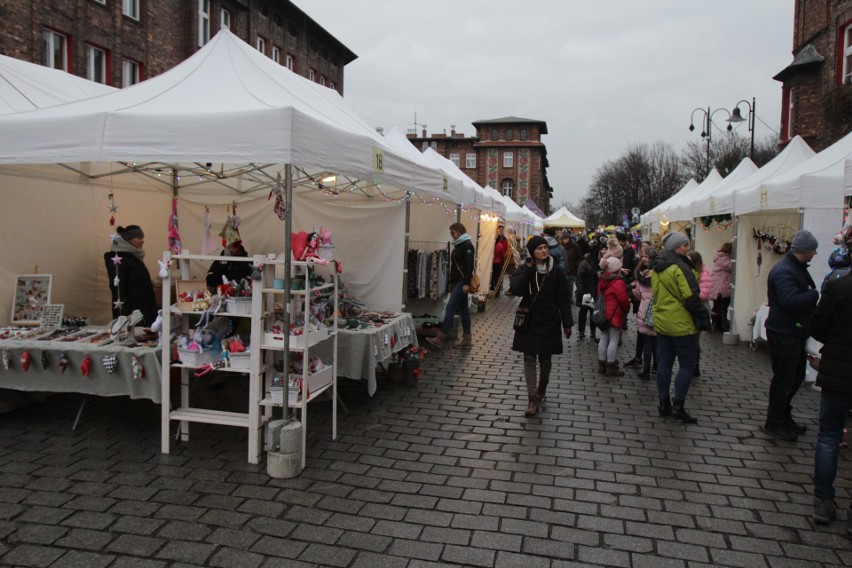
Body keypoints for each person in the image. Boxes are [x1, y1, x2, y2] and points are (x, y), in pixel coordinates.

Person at [763, 229, 820, 441]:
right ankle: (774, 421)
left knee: (793, 378)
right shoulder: (785, 271)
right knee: (784, 380)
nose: (815, 254)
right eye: (813, 250)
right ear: (804, 250)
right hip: (784, 332)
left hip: (791, 331)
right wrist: (812, 294)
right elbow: (790, 301)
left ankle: (784, 416)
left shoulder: (794, 268)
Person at [509, 235, 573, 416]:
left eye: (545, 247)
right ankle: (532, 399)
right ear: (532, 252)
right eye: (539, 248)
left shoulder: (557, 271)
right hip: (529, 319)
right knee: (529, 359)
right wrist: (529, 270)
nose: (544, 251)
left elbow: (564, 298)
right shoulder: (526, 268)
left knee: (545, 360)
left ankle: (541, 389)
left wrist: (567, 323)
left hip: (550, 320)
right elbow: (516, 289)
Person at [810, 252, 852, 527]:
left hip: (838, 373)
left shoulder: (839, 285)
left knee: (828, 437)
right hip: (839, 371)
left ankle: (823, 502)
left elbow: (819, 329)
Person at [652, 231, 708, 424]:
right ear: (676, 247)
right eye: (685, 245)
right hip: (682, 323)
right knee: (686, 364)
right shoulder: (681, 268)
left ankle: (663, 403)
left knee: (665, 363)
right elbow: (690, 297)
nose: (688, 248)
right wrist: (703, 316)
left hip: (662, 321)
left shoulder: (657, 267)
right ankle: (678, 406)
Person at [426, 222, 476, 350]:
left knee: (450, 307)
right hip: (458, 282)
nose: (451, 235)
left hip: (462, 282)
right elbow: (455, 267)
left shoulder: (467, 245)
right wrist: (451, 283)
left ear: (459, 231)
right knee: (464, 310)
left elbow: (469, 266)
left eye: (453, 233)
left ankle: (441, 337)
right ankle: (467, 339)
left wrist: (465, 284)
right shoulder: (459, 245)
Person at [104, 225, 157, 327]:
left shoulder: (133, 257)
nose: (143, 241)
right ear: (128, 240)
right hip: (131, 315)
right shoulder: (118, 260)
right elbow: (118, 289)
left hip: (143, 310)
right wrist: (128, 316)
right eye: (139, 238)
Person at [596, 256, 630, 376]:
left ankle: (601, 364)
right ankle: (610, 366)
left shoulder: (602, 279)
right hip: (615, 314)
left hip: (604, 314)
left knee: (604, 337)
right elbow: (623, 300)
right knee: (614, 339)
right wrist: (627, 308)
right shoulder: (618, 282)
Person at [633, 248, 657, 380]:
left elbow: (636, 294)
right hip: (658, 313)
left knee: (647, 344)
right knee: (657, 344)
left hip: (644, 312)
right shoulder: (660, 276)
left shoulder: (640, 278)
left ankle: (646, 369)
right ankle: (656, 367)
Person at [687, 250, 712, 377]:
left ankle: (694, 366)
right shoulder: (691, 272)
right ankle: (691, 364)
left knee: (695, 339)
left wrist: (689, 295)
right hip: (691, 308)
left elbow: (704, 294)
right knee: (691, 338)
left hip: (699, 309)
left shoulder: (703, 274)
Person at [575, 240, 600, 341]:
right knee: (585, 311)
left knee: (592, 311)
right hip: (586, 291)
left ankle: (592, 332)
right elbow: (579, 277)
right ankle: (582, 332)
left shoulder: (598, 262)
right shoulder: (585, 263)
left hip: (594, 291)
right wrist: (580, 290)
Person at [710, 242, 733, 332]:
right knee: (721, 307)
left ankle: (716, 324)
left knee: (717, 306)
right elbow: (732, 267)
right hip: (721, 288)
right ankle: (719, 325)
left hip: (717, 286)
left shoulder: (720, 257)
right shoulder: (724, 259)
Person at [560, 230, 583, 300]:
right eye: (564, 239)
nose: (565, 240)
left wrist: (576, 264)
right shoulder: (560, 247)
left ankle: (569, 299)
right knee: (563, 286)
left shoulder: (575, 246)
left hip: (572, 270)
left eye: (566, 239)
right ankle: (564, 298)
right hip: (562, 270)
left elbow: (580, 257)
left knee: (570, 286)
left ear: (569, 238)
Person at [491, 224, 509, 293]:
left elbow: (506, 248)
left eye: (502, 229)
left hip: (499, 259)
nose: (501, 230)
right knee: (497, 275)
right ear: (497, 230)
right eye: (500, 229)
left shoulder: (504, 238)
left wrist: (504, 255)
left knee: (496, 275)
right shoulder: (497, 243)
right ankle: (496, 287)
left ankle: (497, 286)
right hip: (498, 260)